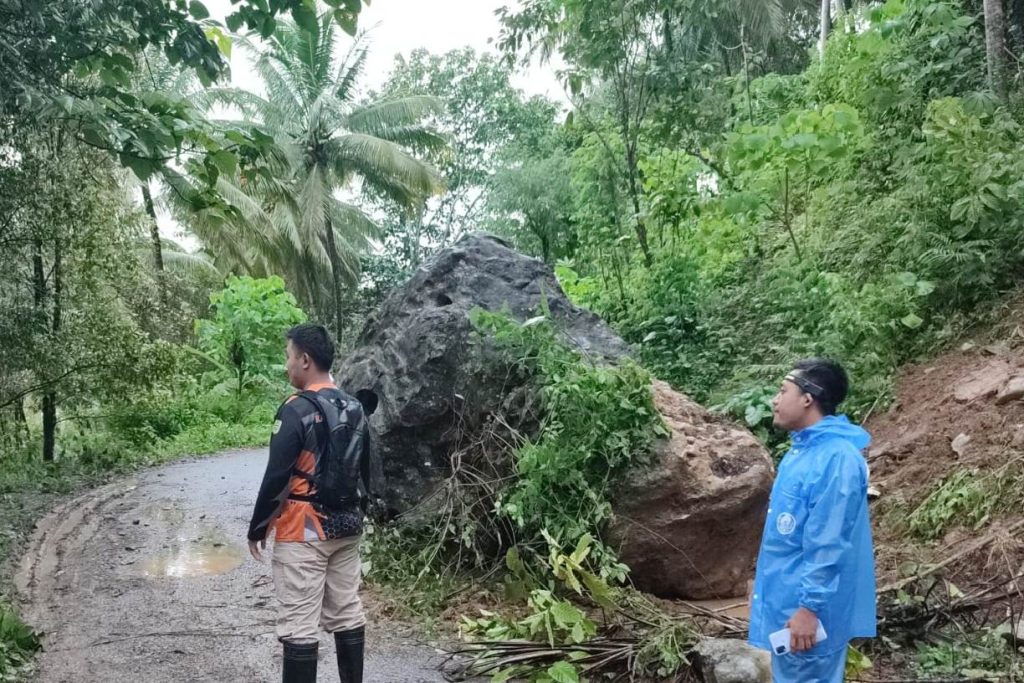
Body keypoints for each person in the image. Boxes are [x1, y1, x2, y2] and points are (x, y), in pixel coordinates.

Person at [248, 323, 375, 683]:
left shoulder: (295, 409)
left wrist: (258, 528)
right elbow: (368, 471)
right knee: (347, 612)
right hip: (347, 527)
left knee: (300, 626)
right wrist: (358, 517)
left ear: (305, 360)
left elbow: (277, 476)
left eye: (288, 357)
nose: (287, 365)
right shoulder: (354, 407)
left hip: (303, 530)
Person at [747, 358, 876, 683]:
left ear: (808, 398)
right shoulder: (802, 452)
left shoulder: (836, 459)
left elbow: (828, 543)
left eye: (782, 390)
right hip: (787, 604)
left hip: (806, 616)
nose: (775, 400)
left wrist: (809, 609)